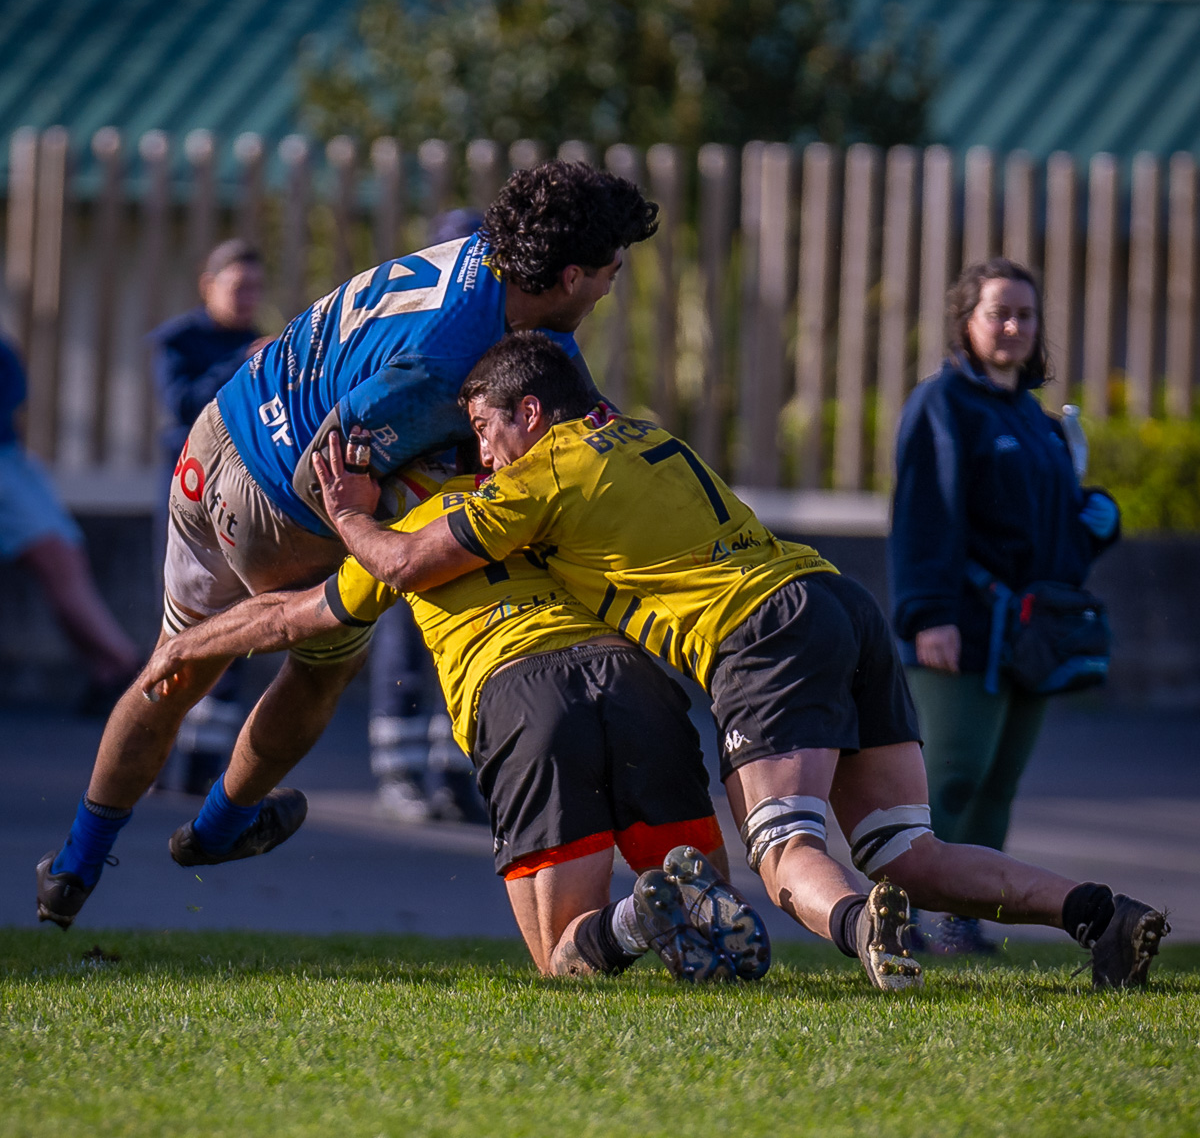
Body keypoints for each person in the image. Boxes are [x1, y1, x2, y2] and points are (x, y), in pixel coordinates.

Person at [303, 332, 1167, 992]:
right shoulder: (641, 434)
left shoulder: (541, 477)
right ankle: (1101, 915)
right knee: (908, 851)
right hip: (836, 601)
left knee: (783, 851)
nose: (484, 458)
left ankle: (862, 929)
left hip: (760, 632)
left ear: (530, 413)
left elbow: (407, 563)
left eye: (486, 431)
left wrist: (347, 515)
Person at [37, 161, 655, 929]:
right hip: (279, 497)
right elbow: (325, 472)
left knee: (176, 661)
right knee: (322, 656)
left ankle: (75, 865)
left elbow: (569, 397)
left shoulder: (491, 261)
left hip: (216, 436)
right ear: (569, 275)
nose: (610, 288)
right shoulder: (447, 357)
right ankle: (221, 826)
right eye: (609, 272)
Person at [140, 441, 770, 985]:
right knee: (705, 904)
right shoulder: (542, 495)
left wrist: (185, 644)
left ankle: (633, 919)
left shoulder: (406, 535)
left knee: (561, 955)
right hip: (634, 682)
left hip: (526, 697)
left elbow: (288, 618)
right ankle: (675, 913)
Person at [890, 258, 1121, 956]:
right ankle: (903, 919)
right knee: (952, 779)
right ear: (967, 322)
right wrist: (928, 614)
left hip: (1028, 638)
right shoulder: (941, 404)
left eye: (1026, 314)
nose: (1014, 326)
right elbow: (922, 515)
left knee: (997, 784)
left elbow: (1054, 542)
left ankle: (962, 923)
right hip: (960, 629)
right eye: (999, 313)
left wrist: (1095, 522)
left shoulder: (1038, 422)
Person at [365, 210, 487, 826]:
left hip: (465, 507)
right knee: (404, 647)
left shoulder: (497, 325)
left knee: (461, 641)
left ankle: (455, 780)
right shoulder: (408, 319)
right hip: (410, 505)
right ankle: (400, 772)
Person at [151, 239, 269, 794]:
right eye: (237, 287)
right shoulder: (179, 340)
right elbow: (180, 403)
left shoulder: (263, 342)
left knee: (232, 625)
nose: (247, 299)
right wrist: (240, 364)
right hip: (186, 495)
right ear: (208, 285)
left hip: (239, 496)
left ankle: (203, 766)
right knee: (178, 622)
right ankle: (151, 753)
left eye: (255, 289)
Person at [0, 334, 139, 708]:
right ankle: (127, 667)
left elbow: (13, 396)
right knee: (57, 558)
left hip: (10, 459)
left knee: (64, 557)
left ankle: (114, 668)